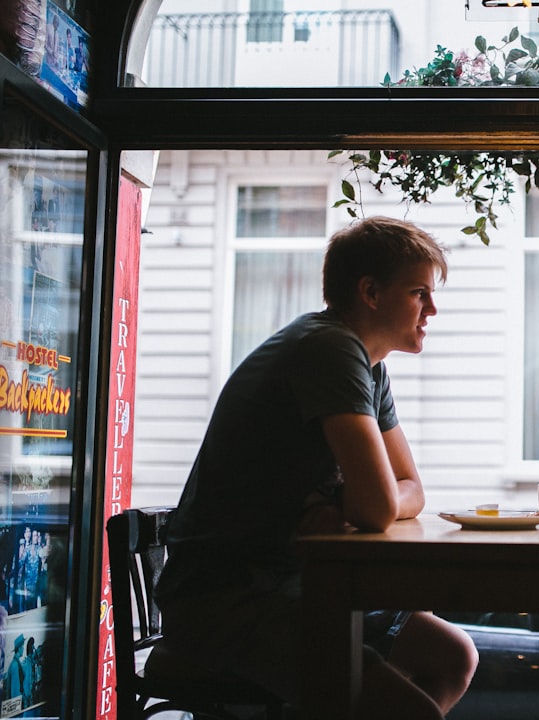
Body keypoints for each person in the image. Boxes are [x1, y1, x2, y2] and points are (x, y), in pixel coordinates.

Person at [155, 216, 478, 719]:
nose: (431, 309)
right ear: (370, 292)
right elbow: (379, 508)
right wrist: (364, 504)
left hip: (293, 583)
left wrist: (343, 506)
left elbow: (411, 489)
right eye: (419, 293)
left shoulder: (370, 365)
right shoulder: (330, 347)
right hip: (227, 598)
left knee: (454, 656)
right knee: (412, 711)